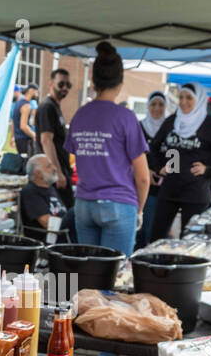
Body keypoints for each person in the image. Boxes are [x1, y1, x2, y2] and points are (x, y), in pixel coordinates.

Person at [62, 41, 151, 257]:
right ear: (120, 82)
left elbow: (72, 157)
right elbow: (143, 178)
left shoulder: (80, 115)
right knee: (114, 277)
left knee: (91, 273)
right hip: (118, 205)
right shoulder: (126, 117)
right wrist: (139, 210)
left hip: (84, 205)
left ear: (93, 80)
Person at [146, 82, 211, 242]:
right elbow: (154, 146)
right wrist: (158, 166)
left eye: (189, 97)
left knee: (189, 239)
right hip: (169, 189)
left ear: (200, 100)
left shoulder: (209, 125)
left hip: (195, 192)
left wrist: (210, 170)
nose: (183, 101)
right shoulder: (173, 121)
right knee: (156, 237)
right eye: (181, 97)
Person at [36, 68, 75, 210]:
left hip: (61, 168)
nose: (65, 88)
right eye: (61, 84)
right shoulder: (47, 107)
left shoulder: (55, 107)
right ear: (51, 84)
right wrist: (57, 173)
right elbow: (46, 141)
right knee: (66, 214)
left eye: (68, 85)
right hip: (52, 173)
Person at [135, 90, 169, 248]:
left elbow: (175, 154)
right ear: (148, 106)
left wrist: (168, 170)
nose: (157, 108)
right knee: (140, 229)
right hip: (141, 185)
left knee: (156, 230)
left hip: (163, 187)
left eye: (161, 104)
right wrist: (145, 171)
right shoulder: (139, 127)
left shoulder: (171, 128)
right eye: (153, 104)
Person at [19, 153, 77, 238]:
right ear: (38, 173)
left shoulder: (50, 187)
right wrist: (72, 216)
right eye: (49, 166)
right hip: (52, 239)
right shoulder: (30, 192)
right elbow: (48, 224)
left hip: (66, 233)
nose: (54, 168)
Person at [12, 83, 38, 156]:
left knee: (24, 163)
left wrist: (13, 136)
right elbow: (23, 126)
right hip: (24, 140)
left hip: (19, 140)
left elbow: (14, 121)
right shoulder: (26, 106)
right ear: (31, 91)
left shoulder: (18, 103)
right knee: (28, 164)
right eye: (36, 92)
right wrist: (34, 135)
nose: (37, 95)